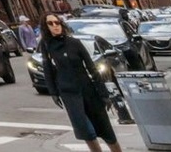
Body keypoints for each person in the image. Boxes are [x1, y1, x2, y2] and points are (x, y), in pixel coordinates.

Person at [40, 14, 122, 152]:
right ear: (45, 27)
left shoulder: (74, 43)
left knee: (105, 129)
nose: (55, 26)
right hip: (69, 94)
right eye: (51, 23)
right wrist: (53, 92)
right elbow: (47, 69)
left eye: (57, 22)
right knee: (86, 131)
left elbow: (91, 68)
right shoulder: (46, 46)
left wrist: (104, 93)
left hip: (88, 90)